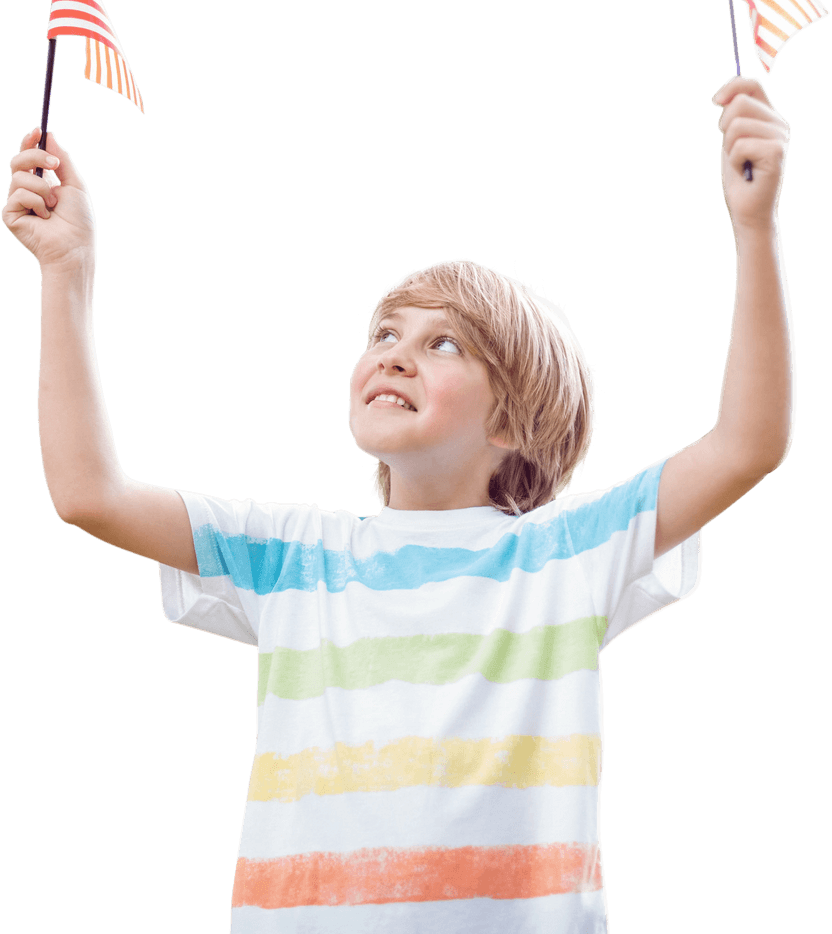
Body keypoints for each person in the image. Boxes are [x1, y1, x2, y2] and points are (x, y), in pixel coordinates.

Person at [2, 74, 795, 932]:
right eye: (384, 334)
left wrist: (755, 228)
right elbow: (89, 493)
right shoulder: (293, 555)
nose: (395, 355)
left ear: (516, 417)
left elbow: (749, 442)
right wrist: (67, 273)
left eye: (443, 342)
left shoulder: (569, 555)